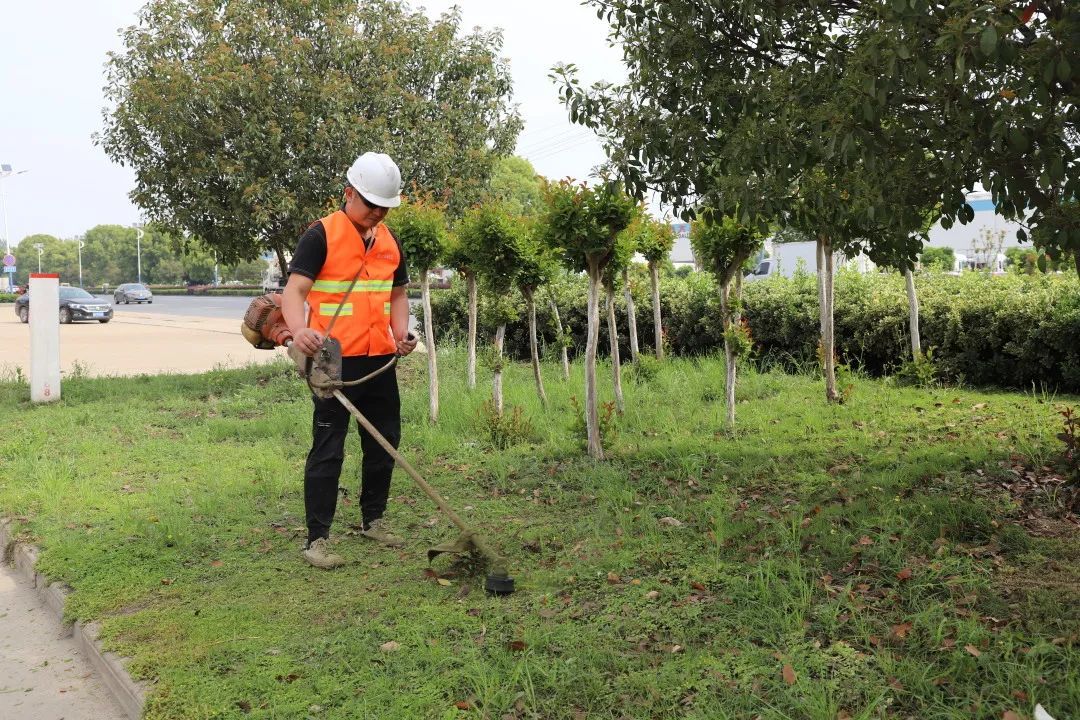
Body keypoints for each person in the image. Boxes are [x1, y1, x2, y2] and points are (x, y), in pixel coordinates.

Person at [282, 152, 417, 569]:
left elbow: (397, 296)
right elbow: (294, 292)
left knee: (384, 442)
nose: (377, 213)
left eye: (384, 207)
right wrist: (299, 330)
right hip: (334, 363)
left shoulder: (390, 241)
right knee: (329, 448)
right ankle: (316, 539)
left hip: (379, 360)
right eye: (371, 204)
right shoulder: (320, 235)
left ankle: (373, 520)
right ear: (348, 193)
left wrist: (401, 334)